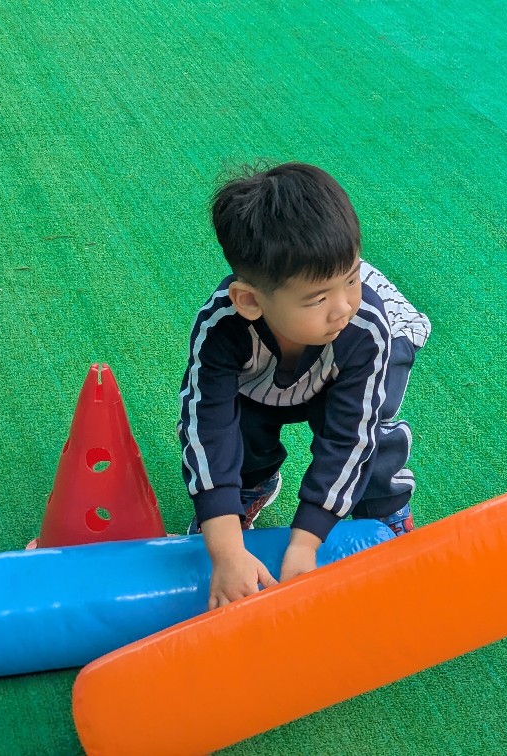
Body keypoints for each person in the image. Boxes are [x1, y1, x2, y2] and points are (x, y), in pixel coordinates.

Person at [178, 162, 430, 610]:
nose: (342, 306)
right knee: (245, 426)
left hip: (365, 354)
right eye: (318, 298)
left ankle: (386, 508)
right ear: (250, 301)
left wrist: (306, 541)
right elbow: (207, 429)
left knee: (371, 433)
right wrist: (226, 548)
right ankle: (251, 488)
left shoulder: (362, 323)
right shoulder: (221, 328)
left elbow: (350, 438)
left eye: (351, 278)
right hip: (265, 373)